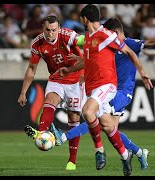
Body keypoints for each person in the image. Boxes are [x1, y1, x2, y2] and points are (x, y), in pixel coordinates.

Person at [54, 4, 153, 176]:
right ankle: (130, 154)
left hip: (116, 89)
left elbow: (134, 49)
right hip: (95, 88)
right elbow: (88, 61)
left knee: (89, 112)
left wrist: (143, 73)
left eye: (80, 18)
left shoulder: (112, 38)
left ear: (85, 19)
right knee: (107, 127)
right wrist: (69, 70)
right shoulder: (89, 39)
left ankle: (83, 145)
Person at [17, 15, 85, 171]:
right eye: (48, 30)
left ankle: (72, 162)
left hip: (76, 79)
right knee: (49, 100)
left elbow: (85, 41)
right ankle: (41, 133)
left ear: (59, 28)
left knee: (74, 117)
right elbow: (32, 69)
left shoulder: (67, 35)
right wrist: (23, 92)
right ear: (43, 28)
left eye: (54, 30)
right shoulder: (37, 44)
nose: (50, 33)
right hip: (56, 78)